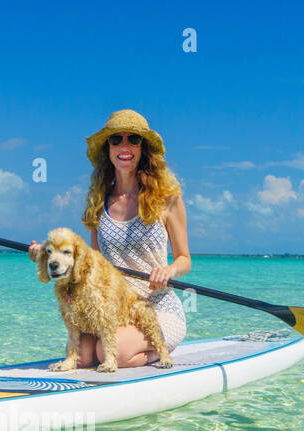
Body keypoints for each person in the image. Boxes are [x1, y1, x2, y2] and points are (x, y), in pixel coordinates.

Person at [30, 109, 191, 368]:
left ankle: (161, 351)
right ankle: (123, 346)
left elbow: (185, 259)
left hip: (156, 307)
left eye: (133, 139)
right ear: (108, 148)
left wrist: (169, 270)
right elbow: (92, 265)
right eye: (116, 139)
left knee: (109, 354)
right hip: (112, 308)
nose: (124, 146)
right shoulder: (98, 202)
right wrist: (47, 252)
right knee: (82, 357)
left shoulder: (168, 198)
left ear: (143, 148)